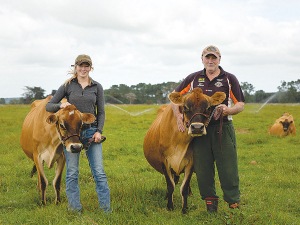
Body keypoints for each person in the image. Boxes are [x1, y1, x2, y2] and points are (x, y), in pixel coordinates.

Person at [171, 45, 245, 213]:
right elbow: (175, 98)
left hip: (222, 127)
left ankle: (233, 202)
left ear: (219, 60)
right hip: (198, 130)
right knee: (203, 167)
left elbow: (240, 103)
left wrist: (228, 110)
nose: (210, 61)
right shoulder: (194, 77)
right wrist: (179, 119)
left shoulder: (229, 79)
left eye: (214, 58)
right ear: (202, 59)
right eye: (207, 57)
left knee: (228, 166)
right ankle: (210, 202)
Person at [45, 54, 111, 213]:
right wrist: (60, 106)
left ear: (90, 68)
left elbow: (100, 112)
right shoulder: (67, 85)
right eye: (80, 66)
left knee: (99, 172)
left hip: (90, 131)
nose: (83, 69)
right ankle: (75, 210)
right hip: (70, 135)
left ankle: (106, 210)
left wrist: (98, 131)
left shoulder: (97, 87)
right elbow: (49, 105)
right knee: (72, 173)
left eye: (86, 66)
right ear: (75, 67)